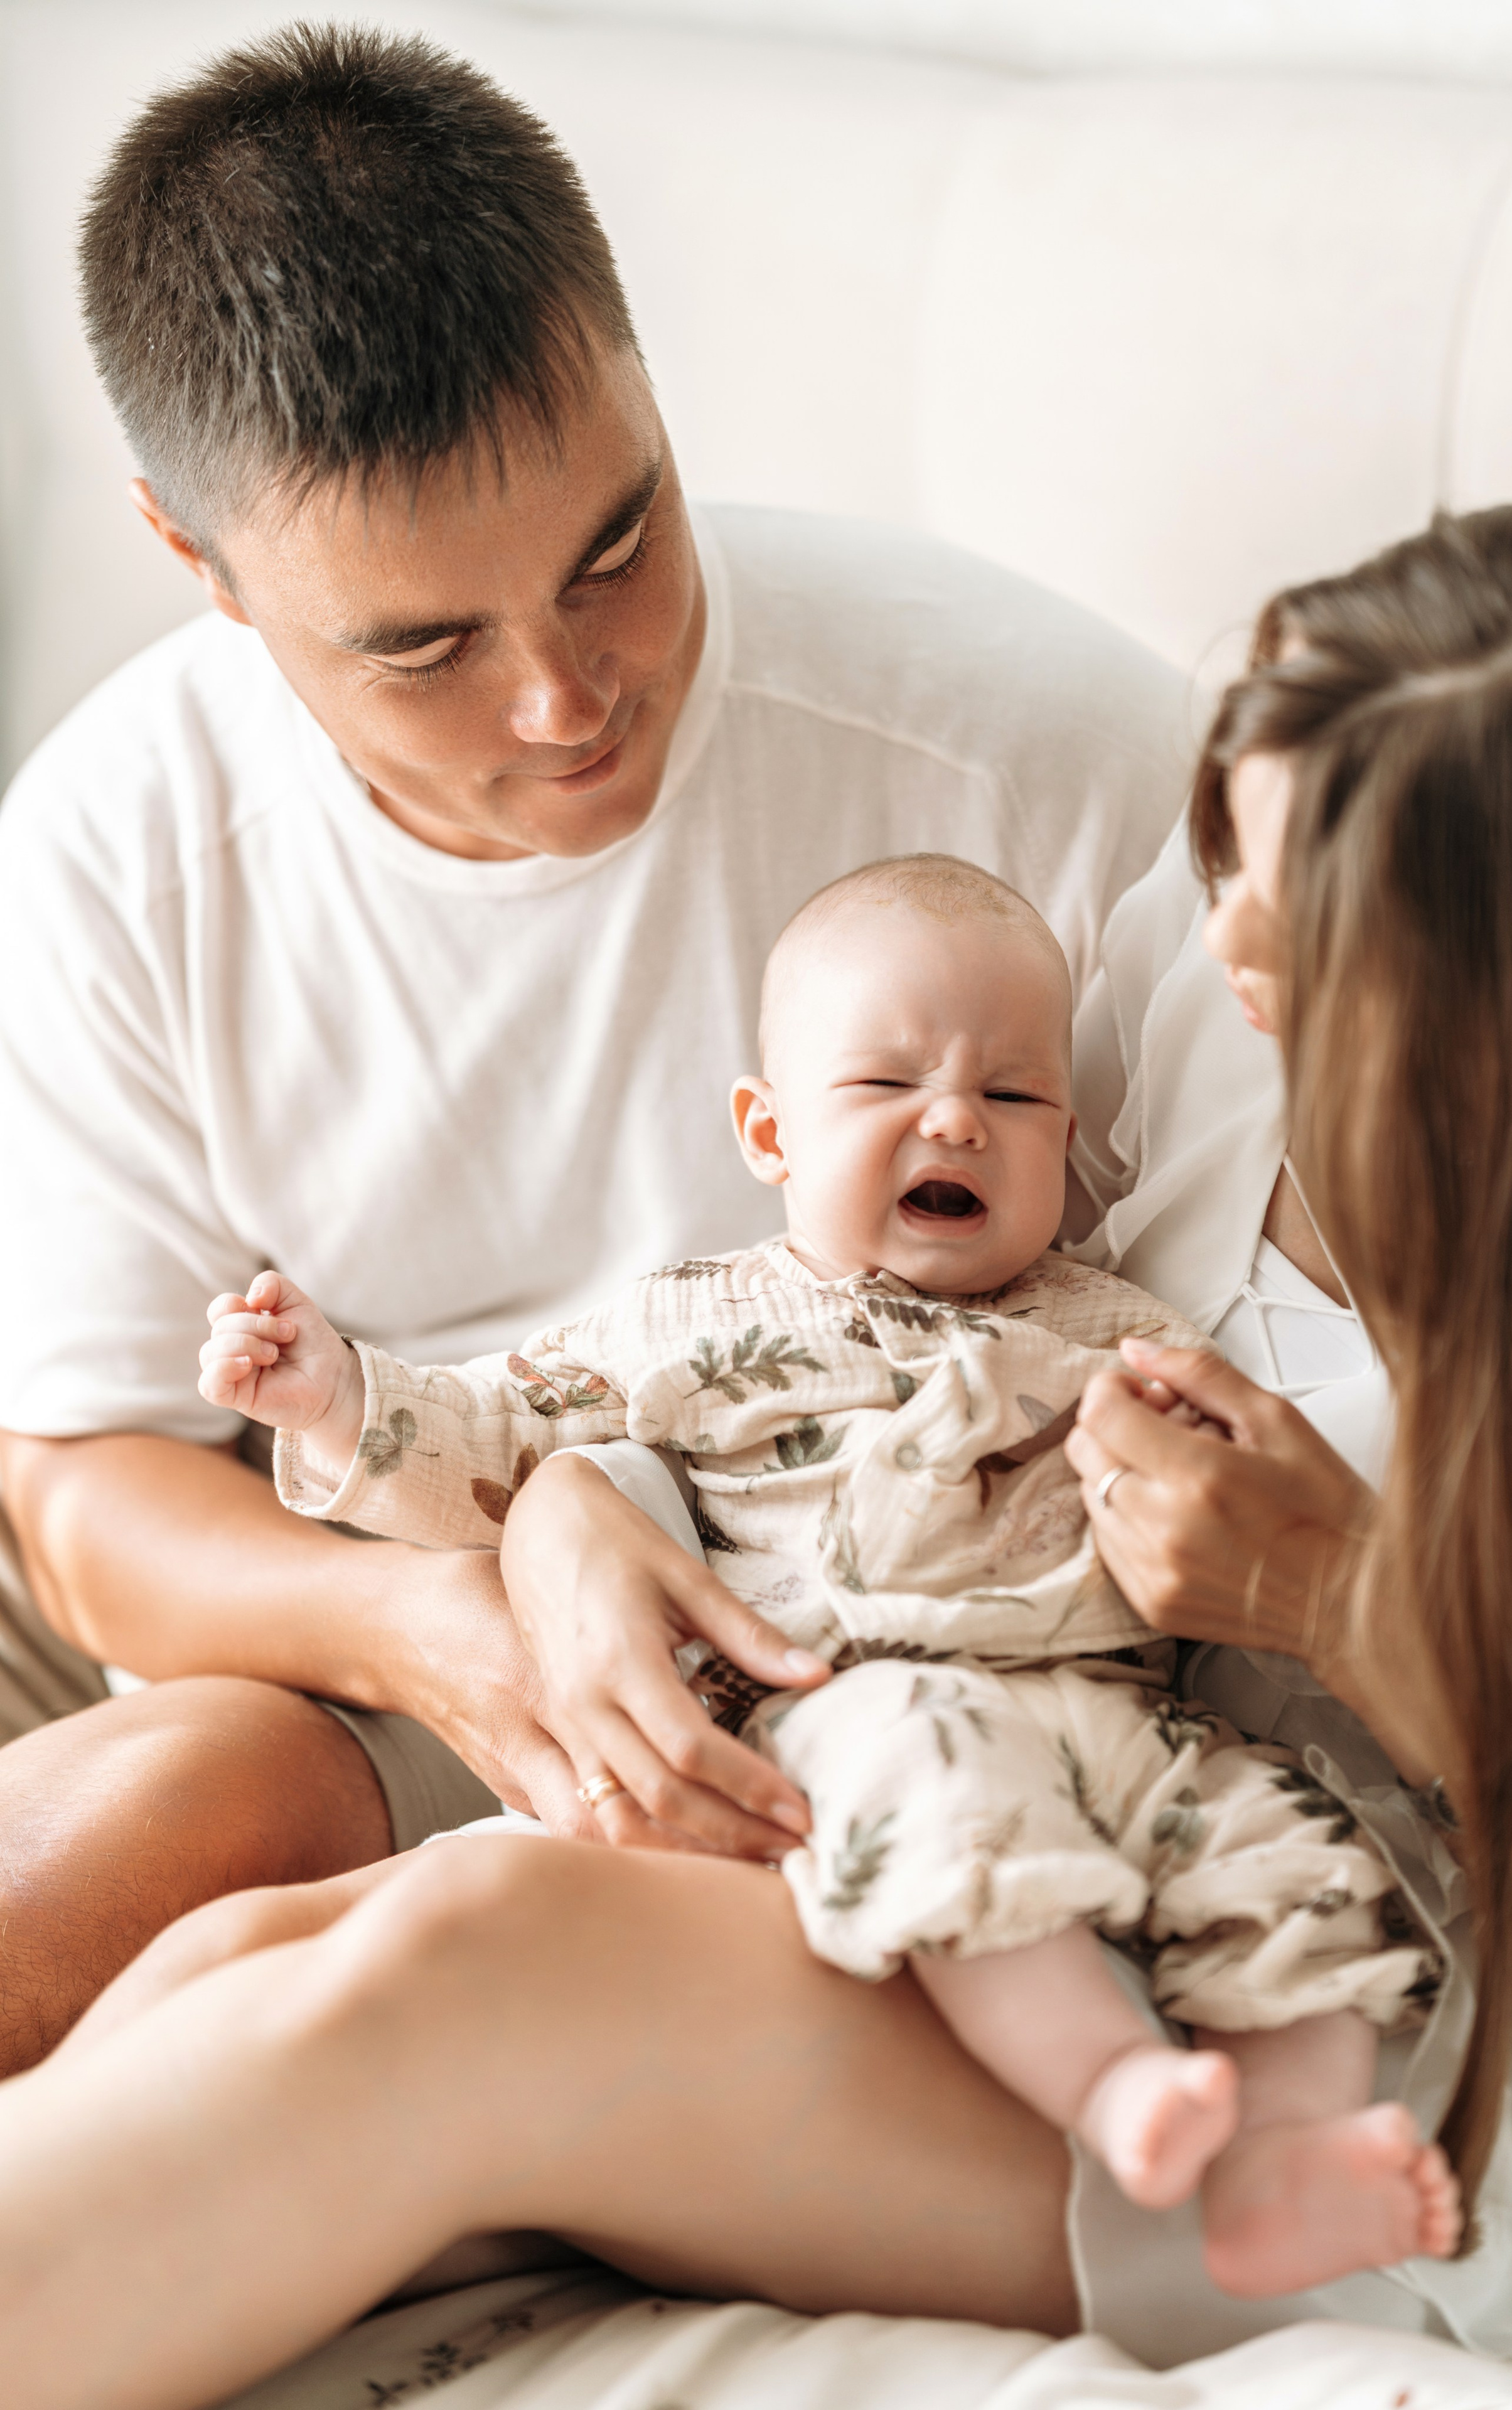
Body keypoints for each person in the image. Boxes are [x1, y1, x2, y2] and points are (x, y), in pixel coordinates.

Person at [2, 499, 1512, 2410]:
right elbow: (877, 1347)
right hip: (996, 1861)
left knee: (470, 1958)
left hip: (1351, 2076)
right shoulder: (1214, 1016)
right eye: (1224, 851)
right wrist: (587, 1508)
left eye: (1303, 909)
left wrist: (1338, 1601)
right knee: (240, 1945)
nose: (1225, 930)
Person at [0, 24, 1187, 2070]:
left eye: (615, 547)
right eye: (424, 645)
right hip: (369, 1613)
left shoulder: (1041, 761)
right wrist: (451, 1622)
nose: (569, 699)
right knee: (132, 1863)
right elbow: (87, 1491)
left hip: (886, 1658)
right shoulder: (125, 845)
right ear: (196, 564)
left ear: (641, 374)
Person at [194, 850, 1455, 2298]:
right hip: (850, 1707)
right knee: (942, 1774)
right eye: (883, 1088)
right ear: (767, 1129)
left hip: (1123, 1720)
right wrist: (336, 1394)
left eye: (1017, 1098)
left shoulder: (1122, 1325)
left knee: (1284, 1847)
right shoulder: (698, 1323)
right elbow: (492, 1440)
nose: (955, 1122)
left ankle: (1285, 2160)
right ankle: (1109, 2089)